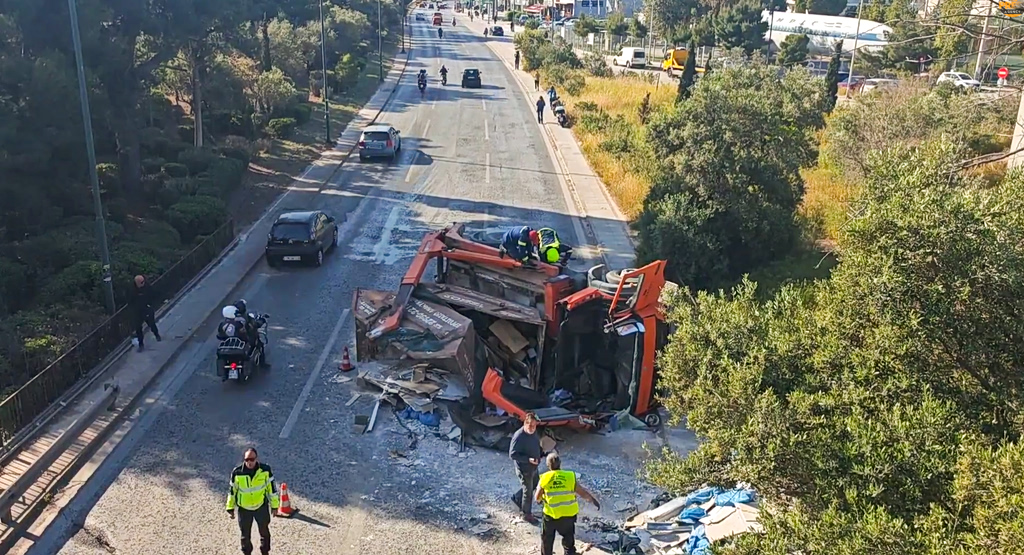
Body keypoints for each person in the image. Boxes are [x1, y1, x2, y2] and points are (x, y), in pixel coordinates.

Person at [534, 452, 600, 555]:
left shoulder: (544, 478)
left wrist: (540, 501)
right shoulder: (569, 476)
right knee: (568, 539)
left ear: (548, 465)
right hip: (568, 515)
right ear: (560, 463)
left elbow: (537, 497)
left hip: (551, 515)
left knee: (547, 539)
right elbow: (582, 492)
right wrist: (593, 500)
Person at [226, 448, 279, 555]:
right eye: (247, 459)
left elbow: (272, 490)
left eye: (252, 459)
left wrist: (275, 506)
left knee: (264, 532)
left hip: (261, 507)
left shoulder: (265, 470)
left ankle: (265, 552)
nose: (249, 462)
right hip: (244, 509)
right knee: (245, 535)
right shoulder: (237, 473)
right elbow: (232, 491)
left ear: (256, 459)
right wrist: (230, 507)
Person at [509, 413, 542, 524]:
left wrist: (541, 453)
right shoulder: (519, 436)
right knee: (528, 492)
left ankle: (517, 498)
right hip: (524, 468)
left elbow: (536, 444)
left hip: (534, 466)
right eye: (530, 426)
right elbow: (512, 455)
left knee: (536, 482)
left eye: (534, 425)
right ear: (525, 423)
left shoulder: (533, 433)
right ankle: (526, 514)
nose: (532, 428)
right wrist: (528, 459)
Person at [129, 275, 161, 352]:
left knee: (151, 323)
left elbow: (154, 295)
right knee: (138, 328)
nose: (143, 283)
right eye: (141, 282)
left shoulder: (147, 287)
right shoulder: (132, 289)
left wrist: (150, 305)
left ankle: (156, 334)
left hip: (147, 309)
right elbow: (129, 299)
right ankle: (141, 344)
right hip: (137, 311)